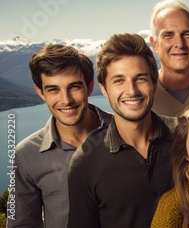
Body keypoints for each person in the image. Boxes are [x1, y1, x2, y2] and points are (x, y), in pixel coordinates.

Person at [67, 33, 176, 227]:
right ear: (104, 88)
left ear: (154, 83)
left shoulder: (186, 137)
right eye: (119, 81)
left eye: (140, 78)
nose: (132, 91)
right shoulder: (85, 162)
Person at [7, 45, 111, 228]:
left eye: (74, 86)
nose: (66, 100)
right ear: (40, 92)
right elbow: (22, 224)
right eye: (53, 89)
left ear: (89, 86)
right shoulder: (26, 155)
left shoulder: (126, 132)